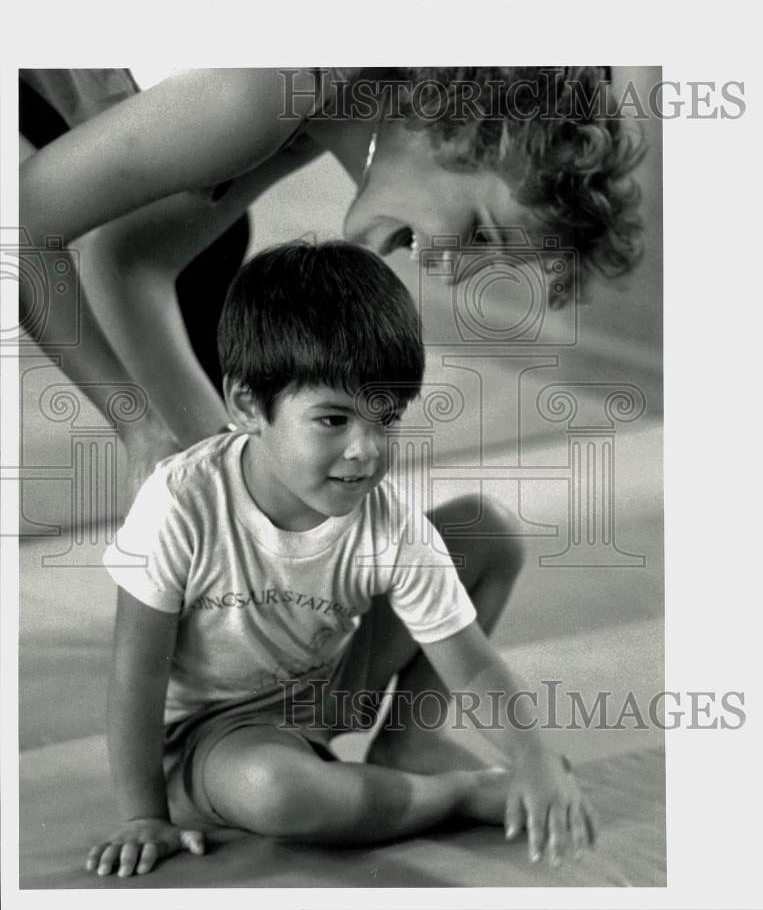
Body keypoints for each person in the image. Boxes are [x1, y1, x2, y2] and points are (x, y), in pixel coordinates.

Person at [86, 242, 596, 879]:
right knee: (280, 793)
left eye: (385, 419)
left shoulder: (385, 519)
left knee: (485, 533)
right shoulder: (182, 500)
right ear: (247, 406)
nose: (365, 450)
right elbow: (135, 671)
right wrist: (145, 814)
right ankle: (457, 795)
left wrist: (534, 759)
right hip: (213, 736)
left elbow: (471, 667)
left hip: (326, 686)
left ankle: (408, 742)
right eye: (333, 419)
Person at [19, 67, 644, 492]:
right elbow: (17, 226)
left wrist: (221, 478)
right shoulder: (268, 92)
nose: (449, 266)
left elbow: (129, 262)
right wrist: (138, 427)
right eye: (481, 233)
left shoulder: (319, 106)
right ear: (463, 130)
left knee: (209, 249)